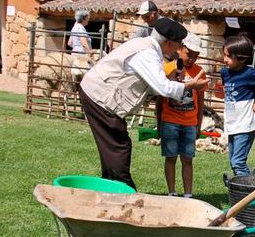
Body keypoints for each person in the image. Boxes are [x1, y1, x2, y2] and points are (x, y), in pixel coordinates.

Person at [78, 17, 209, 189]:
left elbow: (154, 85)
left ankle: (110, 187)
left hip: (96, 94)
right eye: (178, 44)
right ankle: (124, 190)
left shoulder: (146, 46)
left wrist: (170, 79)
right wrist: (191, 85)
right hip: (99, 97)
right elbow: (164, 89)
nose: (178, 49)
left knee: (113, 146)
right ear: (168, 42)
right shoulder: (147, 54)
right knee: (119, 146)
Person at [155, 33, 207, 197]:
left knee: (187, 159)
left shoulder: (199, 72)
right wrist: (159, 121)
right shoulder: (169, 68)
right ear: (181, 49)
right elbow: (160, 97)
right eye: (189, 54)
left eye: (196, 56)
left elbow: (200, 100)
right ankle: (172, 192)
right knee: (170, 157)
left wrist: (198, 124)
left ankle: (188, 194)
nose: (192, 59)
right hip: (170, 120)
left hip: (190, 122)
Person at [221, 34, 255, 176]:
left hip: (245, 126)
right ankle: (245, 190)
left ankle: (250, 194)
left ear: (241, 58)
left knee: (238, 163)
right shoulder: (224, 73)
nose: (224, 59)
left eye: (228, 56)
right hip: (232, 124)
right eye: (224, 55)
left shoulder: (249, 74)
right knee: (234, 163)